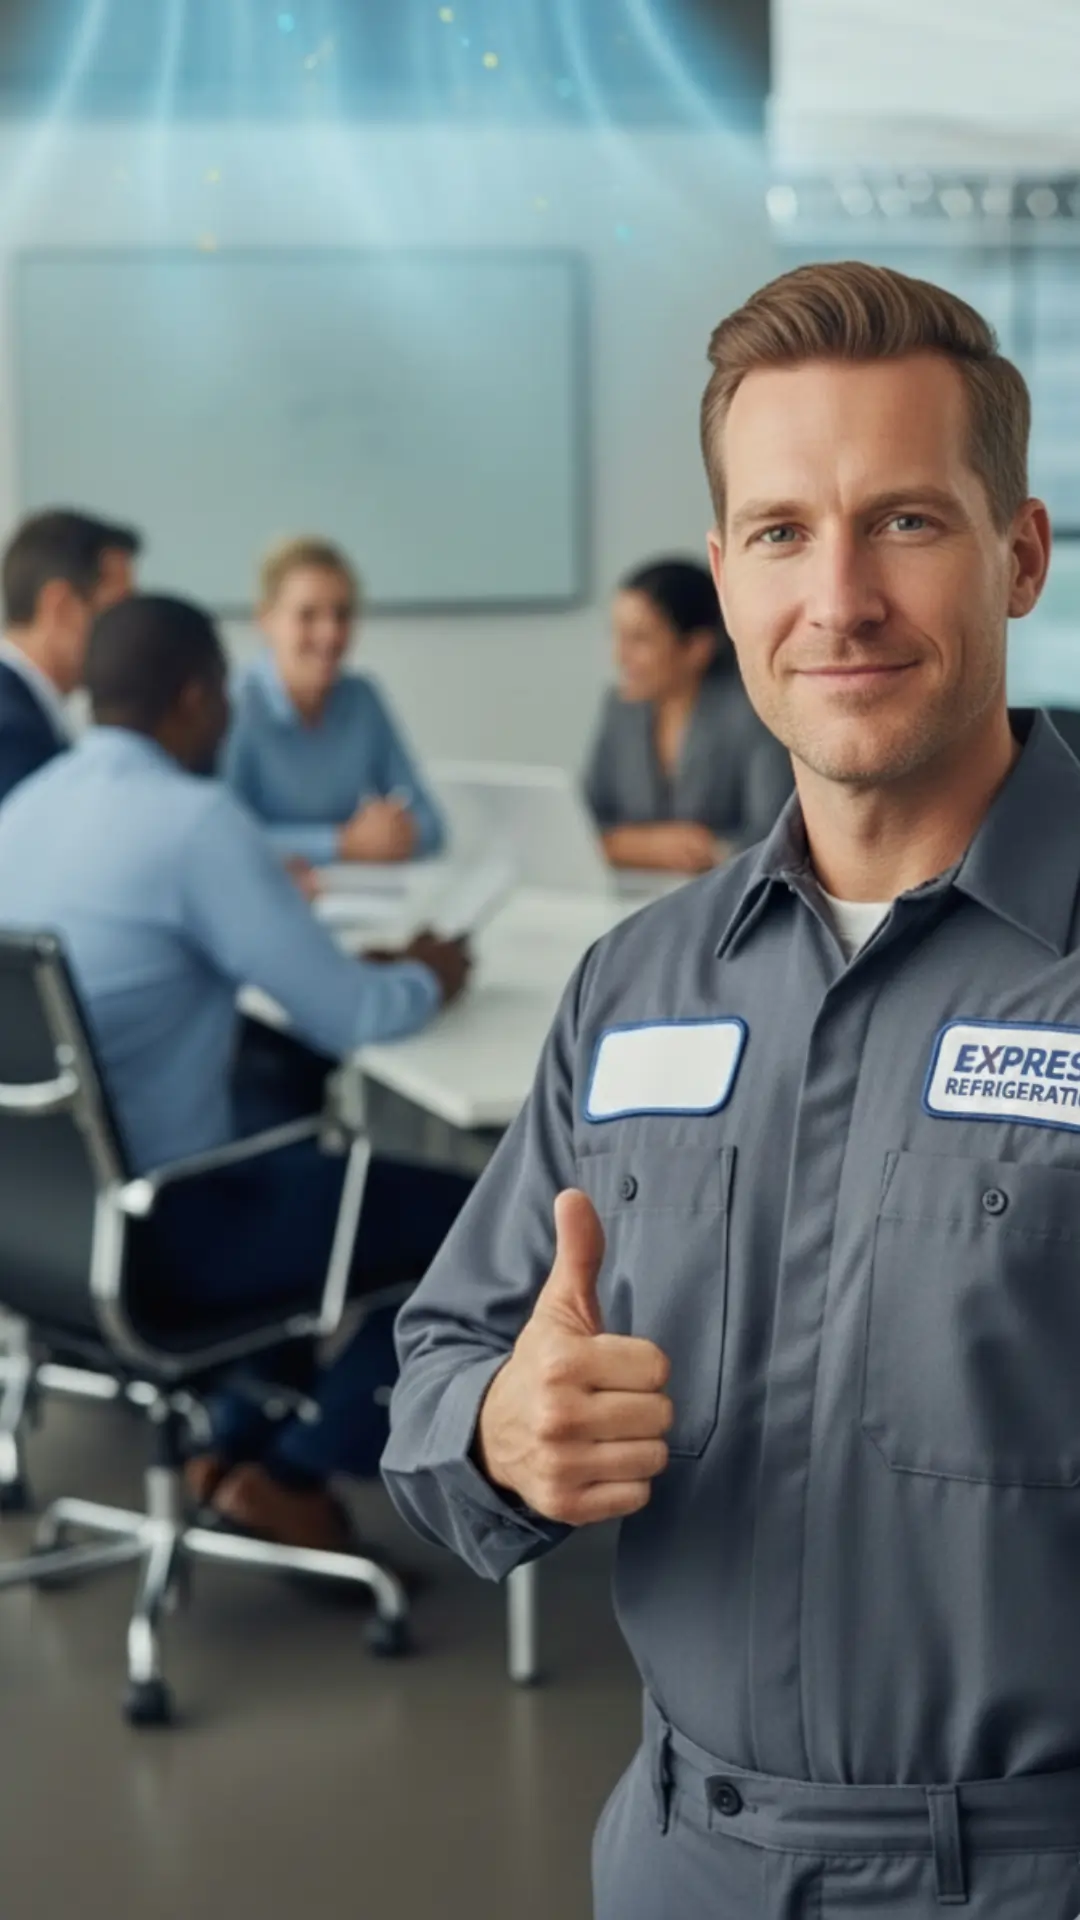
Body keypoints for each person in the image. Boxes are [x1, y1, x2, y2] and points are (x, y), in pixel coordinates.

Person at [383, 261, 1080, 1919]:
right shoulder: (640, 985)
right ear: (725, 573)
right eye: (780, 533)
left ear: (1023, 555)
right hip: (684, 1856)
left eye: (904, 522)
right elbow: (441, 1367)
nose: (837, 600)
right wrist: (501, 1429)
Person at [0, 593, 471, 1553]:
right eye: (221, 695)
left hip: (33, 1236)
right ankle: (303, 1467)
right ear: (192, 697)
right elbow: (349, 1016)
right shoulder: (192, 821)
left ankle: (236, 1449)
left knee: (290, 1162)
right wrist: (429, 973)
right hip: (167, 1235)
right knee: (483, 1222)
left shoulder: (20, 812)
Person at [223, 536, 445, 873]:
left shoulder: (363, 699)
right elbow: (224, 839)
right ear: (266, 620)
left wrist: (396, 835)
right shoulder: (235, 706)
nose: (330, 634)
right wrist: (340, 842)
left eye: (342, 615)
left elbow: (432, 825)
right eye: (308, 615)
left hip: (354, 899)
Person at [583, 556, 792, 874]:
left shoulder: (752, 713)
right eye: (618, 635)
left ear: (697, 647)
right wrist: (648, 846)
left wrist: (625, 844)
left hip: (727, 899)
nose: (619, 656)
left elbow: (772, 838)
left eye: (639, 639)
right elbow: (584, 824)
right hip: (630, 896)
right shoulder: (620, 708)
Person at [0, 508, 139, 805]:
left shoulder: (27, 711)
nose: (131, 632)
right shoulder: (11, 731)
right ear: (61, 607)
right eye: (118, 612)